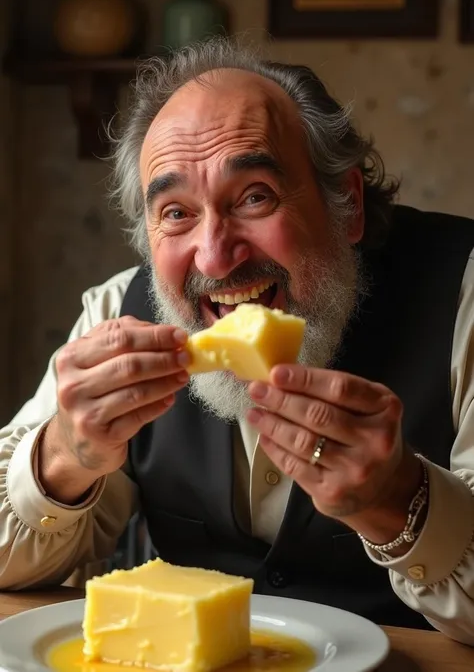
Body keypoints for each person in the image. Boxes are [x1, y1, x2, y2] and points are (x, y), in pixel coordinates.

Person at [1, 37, 474, 643]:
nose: (217, 257)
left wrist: (397, 503)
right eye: (176, 212)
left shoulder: (463, 295)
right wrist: (66, 453)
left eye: (255, 197)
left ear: (347, 205)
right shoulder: (115, 314)